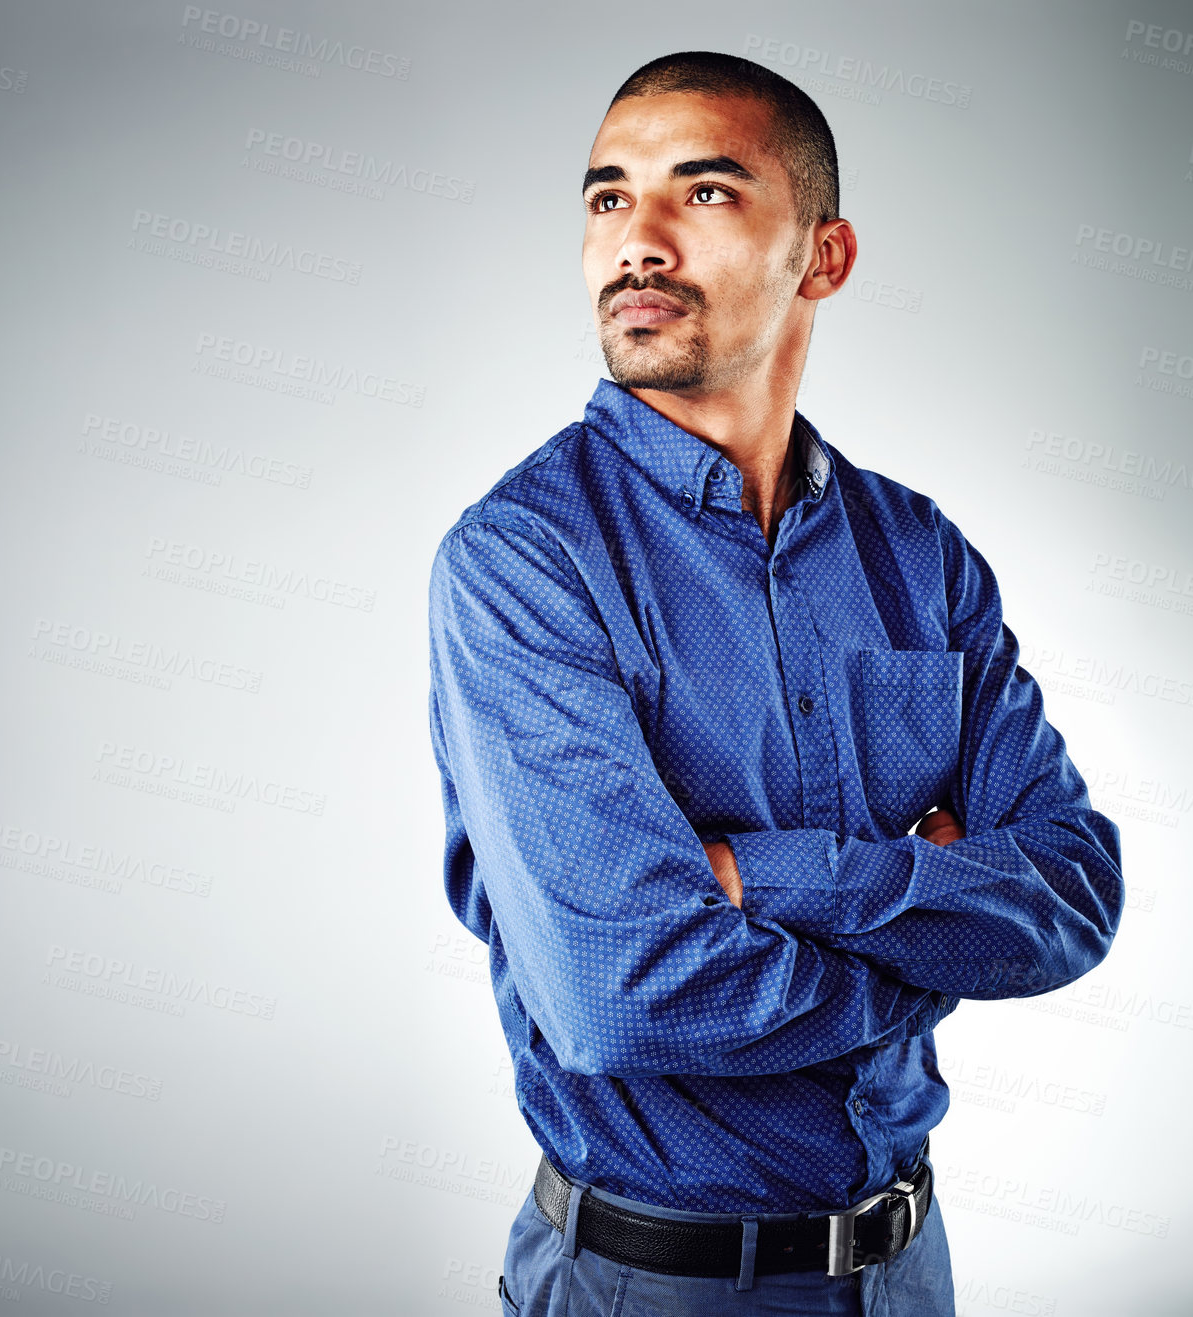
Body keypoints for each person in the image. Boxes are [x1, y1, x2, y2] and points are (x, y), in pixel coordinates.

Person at [425, 50, 1123, 1317]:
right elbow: (617, 996)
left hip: (907, 1270)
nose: (632, 240)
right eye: (603, 198)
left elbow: (1072, 891)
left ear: (823, 255)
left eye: (699, 194)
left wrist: (760, 875)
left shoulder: (919, 557)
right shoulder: (522, 562)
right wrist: (938, 934)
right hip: (655, 1284)